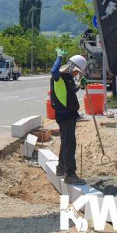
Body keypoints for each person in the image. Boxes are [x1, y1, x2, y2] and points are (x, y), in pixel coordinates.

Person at [50, 48, 88, 185]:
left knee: (66, 142)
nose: (77, 74)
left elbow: (68, 93)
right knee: (69, 144)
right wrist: (59, 57)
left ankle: (61, 168)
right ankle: (70, 174)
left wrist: (80, 86)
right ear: (72, 67)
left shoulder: (68, 79)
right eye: (77, 71)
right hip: (65, 116)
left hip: (69, 115)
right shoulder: (58, 76)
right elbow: (53, 71)